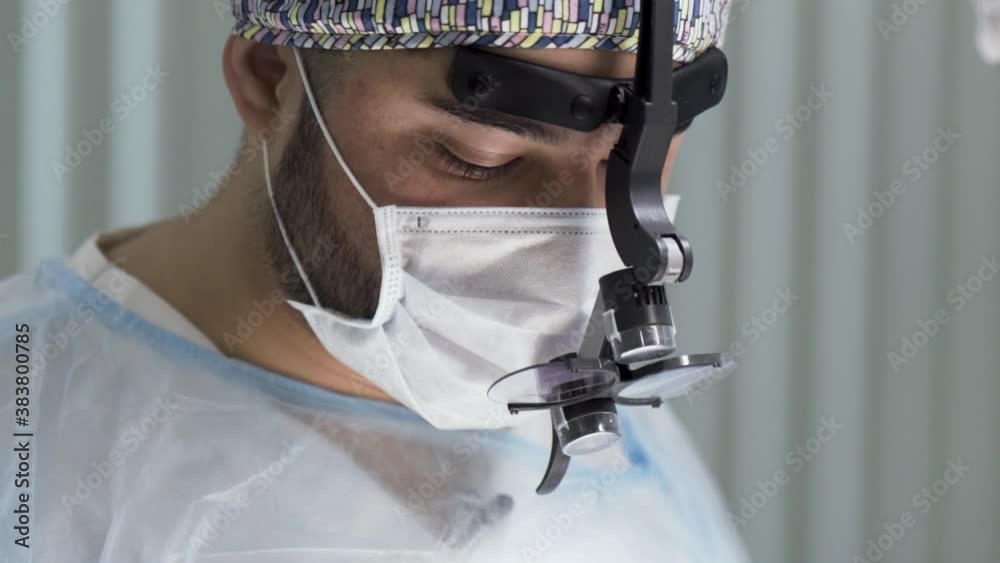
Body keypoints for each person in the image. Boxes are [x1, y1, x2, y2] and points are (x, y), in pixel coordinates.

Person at [1, 1, 749, 560]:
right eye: (479, 159)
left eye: (637, 168)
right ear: (269, 77)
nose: (578, 256)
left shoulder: (617, 430)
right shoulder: (35, 449)